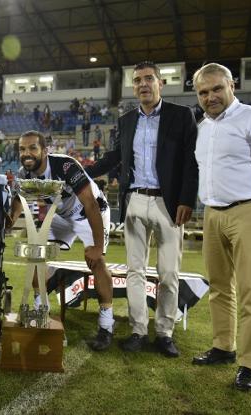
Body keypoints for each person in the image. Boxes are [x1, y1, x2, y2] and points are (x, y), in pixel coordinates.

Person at [86, 61, 198, 358]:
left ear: (160, 83)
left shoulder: (181, 115)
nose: (143, 84)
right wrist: (84, 172)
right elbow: (114, 157)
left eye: (149, 79)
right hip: (135, 199)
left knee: (168, 273)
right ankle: (137, 330)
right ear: (133, 87)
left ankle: (164, 332)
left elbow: (190, 161)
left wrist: (187, 199)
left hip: (169, 202)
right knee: (135, 271)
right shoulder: (126, 121)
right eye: (137, 81)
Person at [192, 63, 251, 391]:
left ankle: (250, 363)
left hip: (250, 212)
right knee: (219, 286)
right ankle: (224, 346)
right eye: (203, 92)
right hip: (212, 213)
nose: (210, 97)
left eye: (216, 88)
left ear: (232, 85)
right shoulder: (203, 127)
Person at [6, 130, 114, 351]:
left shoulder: (65, 166)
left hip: (90, 213)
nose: (27, 153)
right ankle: (38, 310)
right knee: (37, 254)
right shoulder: (24, 173)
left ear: (45, 151)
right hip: (62, 217)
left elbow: (91, 204)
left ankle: (106, 325)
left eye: (32, 148)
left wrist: (98, 247)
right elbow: (18, 199)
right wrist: (10, 220)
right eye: (22, 149)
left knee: (96, 262)